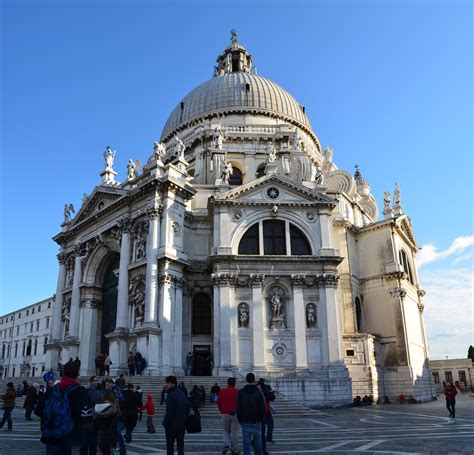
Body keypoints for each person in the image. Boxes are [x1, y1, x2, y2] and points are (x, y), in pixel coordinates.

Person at [37, 360, 90, 455]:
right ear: (77, 373)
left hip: (49, 435)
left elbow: (38, 411)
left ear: (63, 373)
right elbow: (85, 416)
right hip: (68, 436)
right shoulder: (80, 391)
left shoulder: (52, 390)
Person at [236, 373, 266, 455]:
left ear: (246, 380)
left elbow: (238, 408)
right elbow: (263, 408)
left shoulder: (241, 392)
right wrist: (261, 419)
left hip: (245, 421)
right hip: (257, 421)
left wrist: (240, 420)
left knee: (246, 445)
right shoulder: (258, 392)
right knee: (258, 445)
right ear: (254, 380)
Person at [162, 375, 190, 455]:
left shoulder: (171, 395)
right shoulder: (182, 393)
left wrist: (165, 423)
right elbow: (187, 408)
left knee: (170, 445)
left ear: (172, 383)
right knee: (180, 444)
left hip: (172, 425)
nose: (166, 385)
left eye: (167, 383)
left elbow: (169, 412)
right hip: (182, 423)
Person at [80, 376, 103, 455]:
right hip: (95, 421)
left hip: (84, 420)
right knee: (93, 444)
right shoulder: (99, 394)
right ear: (91, 382)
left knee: (84, 444)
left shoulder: (84, 393)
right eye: (96, 381)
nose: (97, 382)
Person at [217, 377, 240, 455]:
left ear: (228, 383)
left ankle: (226, 445)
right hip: (235, 414)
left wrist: (222, 411)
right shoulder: (237, 392)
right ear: (235, 383)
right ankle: (235, 449)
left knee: (226, 431)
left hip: (225, 413)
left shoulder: (223, 391)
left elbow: (219, 402)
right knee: (235, 432)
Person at [93, 390, 120, 455]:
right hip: (110, 436)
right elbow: (114, 426)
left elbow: (94, 425)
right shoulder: (113, 409)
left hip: (100, 436)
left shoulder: (97, 407)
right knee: (114, 453)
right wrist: (114, 442)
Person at [258, 378, 275, 444]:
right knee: (270, 424)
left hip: (259, 411)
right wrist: (272, 392)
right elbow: (272, 398)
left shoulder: (257, 389)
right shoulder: (266, 389)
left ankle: (262, 438)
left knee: (262, 426)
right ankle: (268, 438)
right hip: (265, 410)